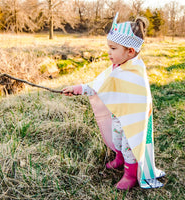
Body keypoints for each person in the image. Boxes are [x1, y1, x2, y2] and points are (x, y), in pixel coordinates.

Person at [63, 13, 165, 190]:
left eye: (113, 48)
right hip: (119, 116)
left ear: (130, 51)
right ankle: (119, 159)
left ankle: (130, 174)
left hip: (133, 120)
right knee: (117, 140)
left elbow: (138, 98)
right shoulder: (118, 67)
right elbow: (101, 84)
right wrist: (80, 88)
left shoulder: (134, 72)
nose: (108, 52)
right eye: (109, 47)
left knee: (130, 145)